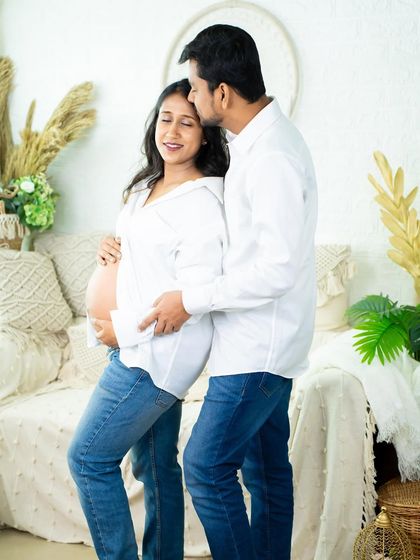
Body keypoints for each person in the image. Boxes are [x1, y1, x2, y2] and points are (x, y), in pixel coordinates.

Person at [135, 25, 318, 560]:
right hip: (262, 343)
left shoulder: (272, 157)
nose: (188, 97)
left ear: (222, 93)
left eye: (194, 88)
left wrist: (190, 300)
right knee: (266, 475)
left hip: (258, 350)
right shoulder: (256, 143)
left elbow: (277, 269)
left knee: (204, 467)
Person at [67, 78, 228, 560]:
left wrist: (123, 329)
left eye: (187, 121)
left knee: (88, 458)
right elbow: (137, 254)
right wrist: (109, 249)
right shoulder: (145, 185)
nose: (173, 131)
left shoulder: (202, 203)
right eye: (166, 118)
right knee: (156, 468)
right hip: (133, 345)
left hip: (153, 356)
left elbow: (190, 298)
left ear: (205, 135)